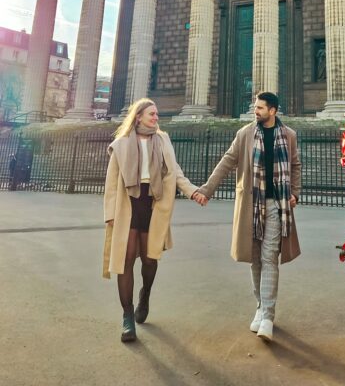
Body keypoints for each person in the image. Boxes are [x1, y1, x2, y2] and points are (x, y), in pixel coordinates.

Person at [197, 91, 301, 342]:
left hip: (276, 205)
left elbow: (295, 165)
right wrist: (206, 189)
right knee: (255, 258)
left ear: (273, 110)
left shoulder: (289, 136)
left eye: (261, 108)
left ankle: (267, 315)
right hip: (251, 206)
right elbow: (227, 161)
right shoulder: (244, 134)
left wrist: (295, 192)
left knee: (269, 257)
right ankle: (260, 305)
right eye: (255, 107)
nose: (256, 111)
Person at [103, 98, 205, 342]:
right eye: (152, 113)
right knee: (125, 261)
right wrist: (110, 215)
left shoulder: (163, 140)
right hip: (128, 204)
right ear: (138, 116)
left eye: (157, 114)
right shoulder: (121, 144)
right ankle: (127, 317)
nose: (156, 117)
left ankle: (145, 293)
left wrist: (193, 191)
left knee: (150, 260)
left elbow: (175, 172)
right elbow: (111, 182)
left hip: (153, 203)